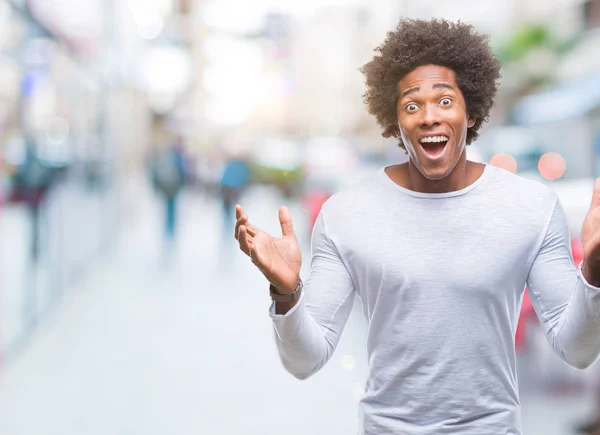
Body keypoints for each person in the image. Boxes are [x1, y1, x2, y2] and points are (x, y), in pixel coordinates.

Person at [234, 19, 600, 434]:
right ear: (395, 120)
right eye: (412, 105)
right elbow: (303, 361)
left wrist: (593, 270)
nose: (428, 117)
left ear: (471, 110)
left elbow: (577, 349)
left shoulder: (531, 207)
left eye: (445, 101)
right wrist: (286, 293)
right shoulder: (346, 215)